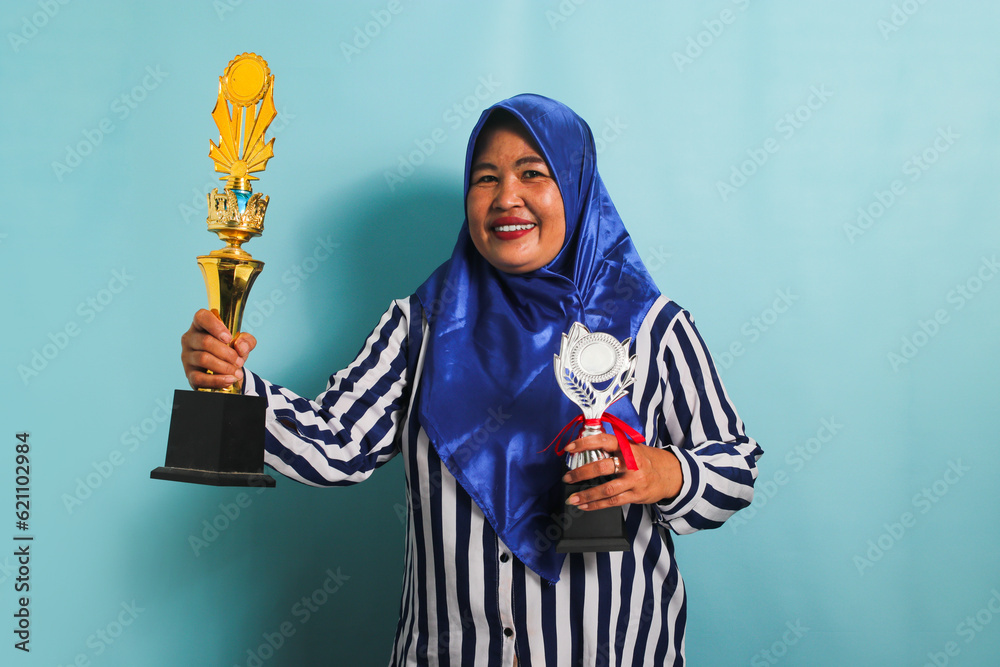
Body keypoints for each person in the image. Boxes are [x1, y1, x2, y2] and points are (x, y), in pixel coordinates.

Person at [181, 94, 762, 666]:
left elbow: (736, 469)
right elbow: (336, 446)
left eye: (532, 173)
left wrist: (663, 472)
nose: (506, 197)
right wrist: (232, 384)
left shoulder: (651, 326)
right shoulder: (420, 326)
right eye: (485, 178)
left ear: (578, 185)